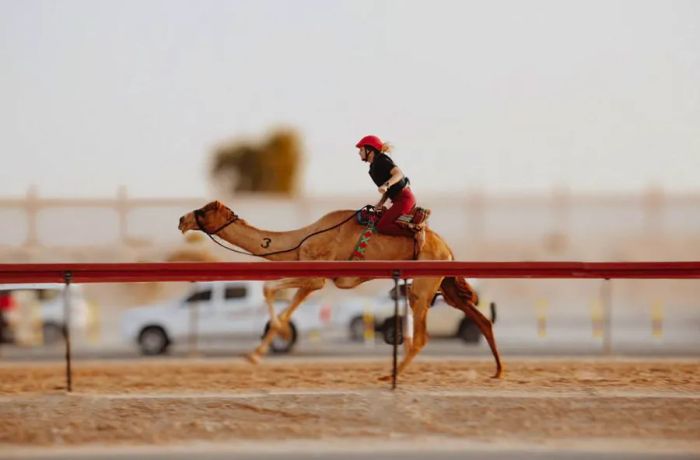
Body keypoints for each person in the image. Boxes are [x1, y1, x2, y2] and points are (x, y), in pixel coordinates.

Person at [355, 135, 417, 237]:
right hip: (398, 200)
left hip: (404, 198)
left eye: (361, 149)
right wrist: (380, 203)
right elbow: (387, 191)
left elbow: (398, 174)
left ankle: (415, 233)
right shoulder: (372, 168)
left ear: (370, 150)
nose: (359, 152)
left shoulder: (381, 160)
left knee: (382, 226)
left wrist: (386, 185)